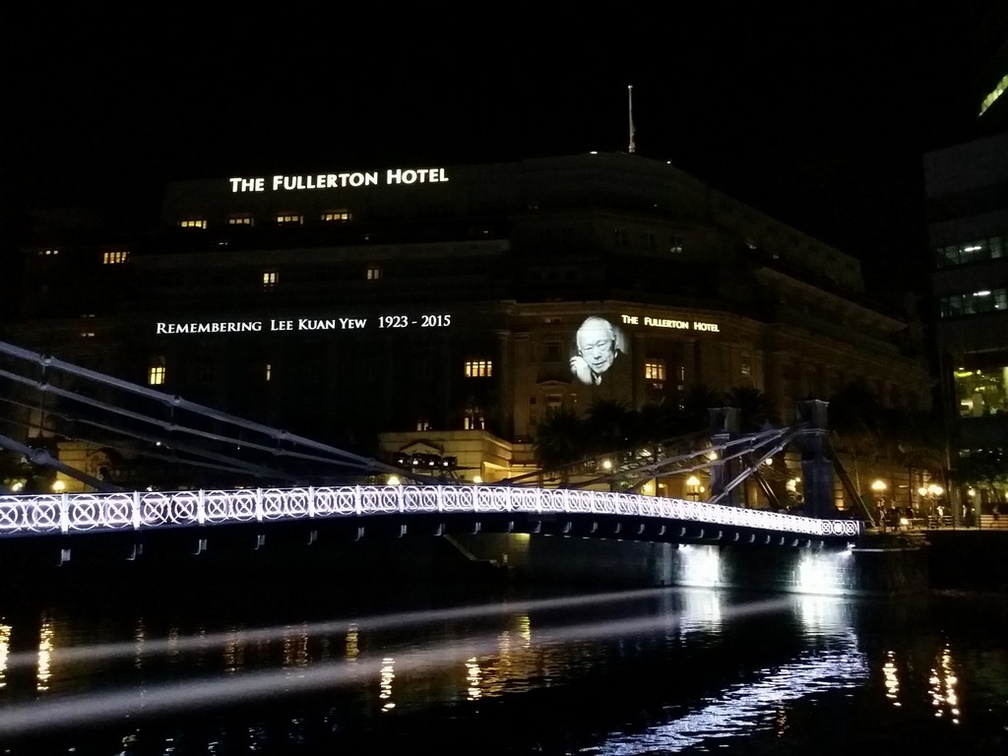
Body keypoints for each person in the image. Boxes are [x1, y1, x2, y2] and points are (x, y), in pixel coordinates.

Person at [570, 316, 623, 385]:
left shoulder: (628, 370)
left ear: (615, 343)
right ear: (580, 353)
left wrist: (587, 382)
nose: (596, 355)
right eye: (588, 348)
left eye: (601, 345)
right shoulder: (578, 372)